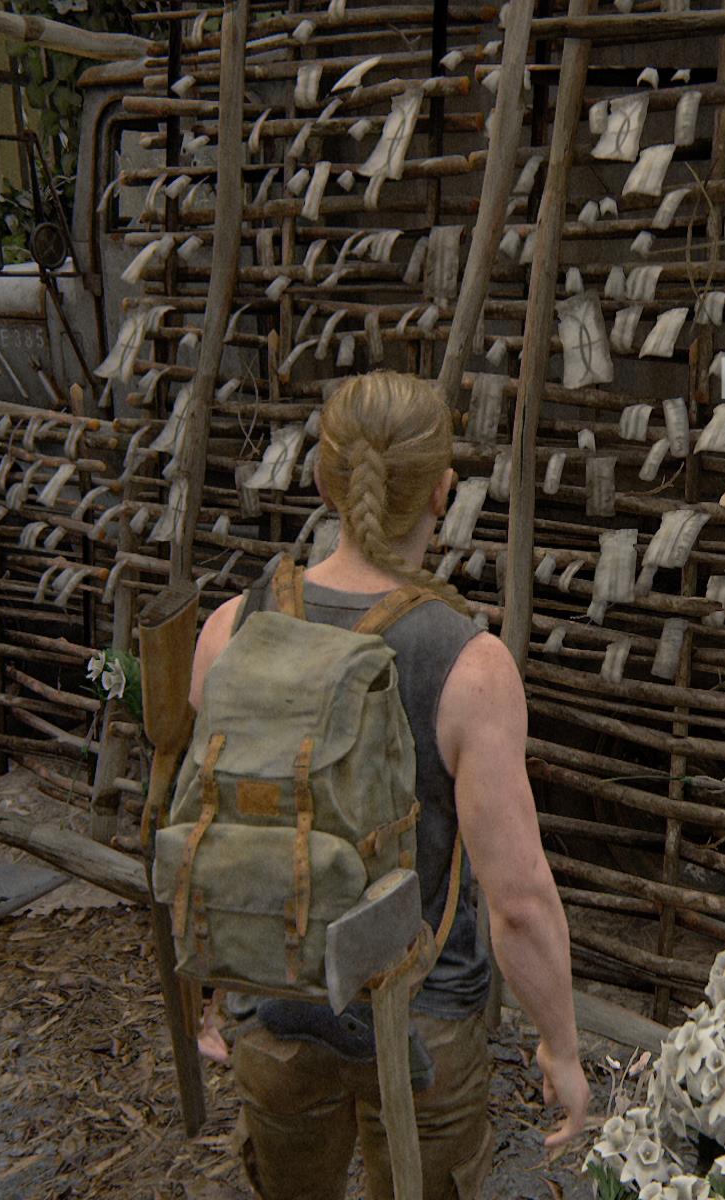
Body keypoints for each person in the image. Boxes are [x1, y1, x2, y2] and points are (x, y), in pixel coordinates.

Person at [186, 371, 588, 1200]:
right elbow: (518, 900)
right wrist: (563, 1047)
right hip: (423, 1027)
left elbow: (207, 819)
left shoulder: (232, 628)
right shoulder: (470, 666)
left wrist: (206, 993)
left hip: (274, 1007)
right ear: (443, 491)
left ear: (323, 480)